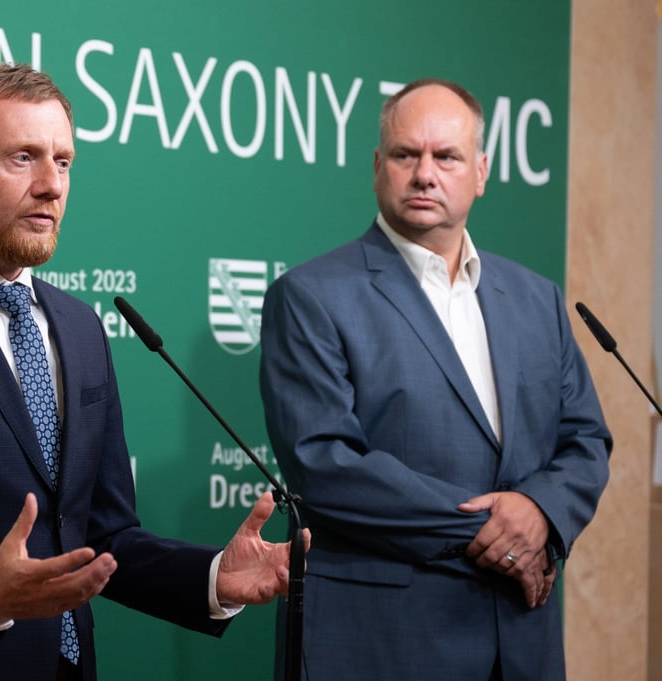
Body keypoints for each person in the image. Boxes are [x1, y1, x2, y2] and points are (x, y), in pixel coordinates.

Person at [0, 62, 306, 681]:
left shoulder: (79, 326)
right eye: (22, 158)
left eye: (63, 162)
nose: (51, 185)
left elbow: (103, 534)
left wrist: (212, 579)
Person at [259, 78, 611, 680]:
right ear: (377, 167)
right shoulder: (311, 296)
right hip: (385, 641)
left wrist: (542, 512)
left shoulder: (537, 299)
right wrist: (504, 532)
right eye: (406, 155)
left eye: (446, 157)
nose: (425, 174)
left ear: (479, 172)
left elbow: (586, 441)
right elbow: (326, 464)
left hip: (523, 641)